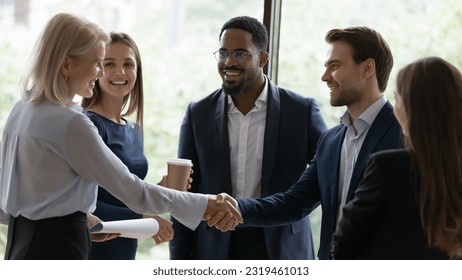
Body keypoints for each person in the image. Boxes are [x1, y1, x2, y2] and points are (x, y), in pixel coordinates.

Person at [0, 12, 241, 260]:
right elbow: (133, 191)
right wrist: (206, 204)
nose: (98, 72)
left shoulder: (23, 108)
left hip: (20, 246)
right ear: (67, 64)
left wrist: (81, 219)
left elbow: (10, 202)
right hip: (59, 248)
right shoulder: (71, 123)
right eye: (97, 63)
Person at [209, 26, 402, 260]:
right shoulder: (331, 141)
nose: (325, 76)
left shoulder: (405, 135)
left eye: (335, 66)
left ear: (367, 68)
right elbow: (294, 202)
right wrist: (238, 208)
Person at [169, 16, 327, 260]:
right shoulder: (198, 113)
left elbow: (323, 179)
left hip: (282, 247)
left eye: (240, 54)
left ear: (263, 58)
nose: (228, 62)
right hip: (216, 248)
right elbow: (182, 194)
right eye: (223, 53)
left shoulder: (301, 111)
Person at [331, 56, 462, 259]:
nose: (395, 108)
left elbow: (345, 242)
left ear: (411, 110)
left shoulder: (388, 168)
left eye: (397, 98)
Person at [81, 32, 173, 260]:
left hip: (124, 249)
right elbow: (83, 204)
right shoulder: (88, 125)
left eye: (128, 64)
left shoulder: (134, 130)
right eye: (109, 63)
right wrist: (143, 218)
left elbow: (125, 192)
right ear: (97, 70)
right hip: (93, 249)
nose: (120, 72)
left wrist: (162, 188)